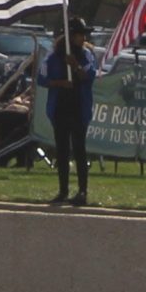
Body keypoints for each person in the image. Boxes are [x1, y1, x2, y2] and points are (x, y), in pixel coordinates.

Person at [42, 18, 99, 206]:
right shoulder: (54, 57)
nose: (83, 38)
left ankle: (82, 191)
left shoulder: (87, 55)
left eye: (84, 35)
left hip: (79, 108)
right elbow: (42, 79)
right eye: (79, 35)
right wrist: (59, 83)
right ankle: (63, 190)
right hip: (60, 108)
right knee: (62, 151)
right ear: (70, 36)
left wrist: (75, 66)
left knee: (80, 150)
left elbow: (89, 75)